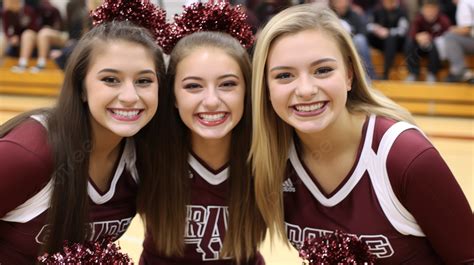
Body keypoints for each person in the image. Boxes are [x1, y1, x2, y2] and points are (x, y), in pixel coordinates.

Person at [250, 3, 473, 264]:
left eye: (322, 70)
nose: (306, 89)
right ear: (265, 87)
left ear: (349, 75)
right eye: (285, 75)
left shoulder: (404, 157)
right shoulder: (271, 158)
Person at [0, 19, 165, 264]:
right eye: (110, 79)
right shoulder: (29, 154)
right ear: (81, 88)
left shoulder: (145, 156)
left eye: (144, 81)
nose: (130, 96)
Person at [138, 4, 266, 265]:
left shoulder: (269, 153)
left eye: (228, 84)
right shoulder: (144, 150)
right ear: (172, 95)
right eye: (193, 86)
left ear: (247, 90)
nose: (211, 101)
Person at [10, 0, 66, 73]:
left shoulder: (52, 9)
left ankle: (41, 64)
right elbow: (30, 26)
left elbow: (59, 27)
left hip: (54, 35)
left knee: (44, 33)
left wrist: (49, 28)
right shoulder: (30, 9)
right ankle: (22, 64)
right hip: (38, 35)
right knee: (27, 33)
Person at [404, 0, 451, 82]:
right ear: (423, 10)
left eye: (432, 10)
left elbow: (448, 35)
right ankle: (413, 73)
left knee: (435, 44)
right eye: (427, 10)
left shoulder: (443, 20)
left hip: (435, 50)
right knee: (409, 42)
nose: (430, 13)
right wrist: (417, 37)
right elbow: (411, 33)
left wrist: (430, 38)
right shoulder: (418, 18)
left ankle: (432, 73)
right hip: (420, 48)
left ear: (437, 10)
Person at [367, 0, 409, 80]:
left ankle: (386, 73)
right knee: (365, 37)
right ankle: (369, 73)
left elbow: (403, 30)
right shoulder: (377, 10)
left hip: (396, 42)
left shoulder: (402, 12)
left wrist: (388, 32)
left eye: (390, 2)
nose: (388, 3)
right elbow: (368, 25)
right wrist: (377, 29)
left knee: (391, 39)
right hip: (379, 40)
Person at [443, 0, 474, 83]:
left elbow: (466, 30)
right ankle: (464, 72)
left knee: (449, 36)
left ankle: (459, 71)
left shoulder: (464, 3)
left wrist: (451, 29)